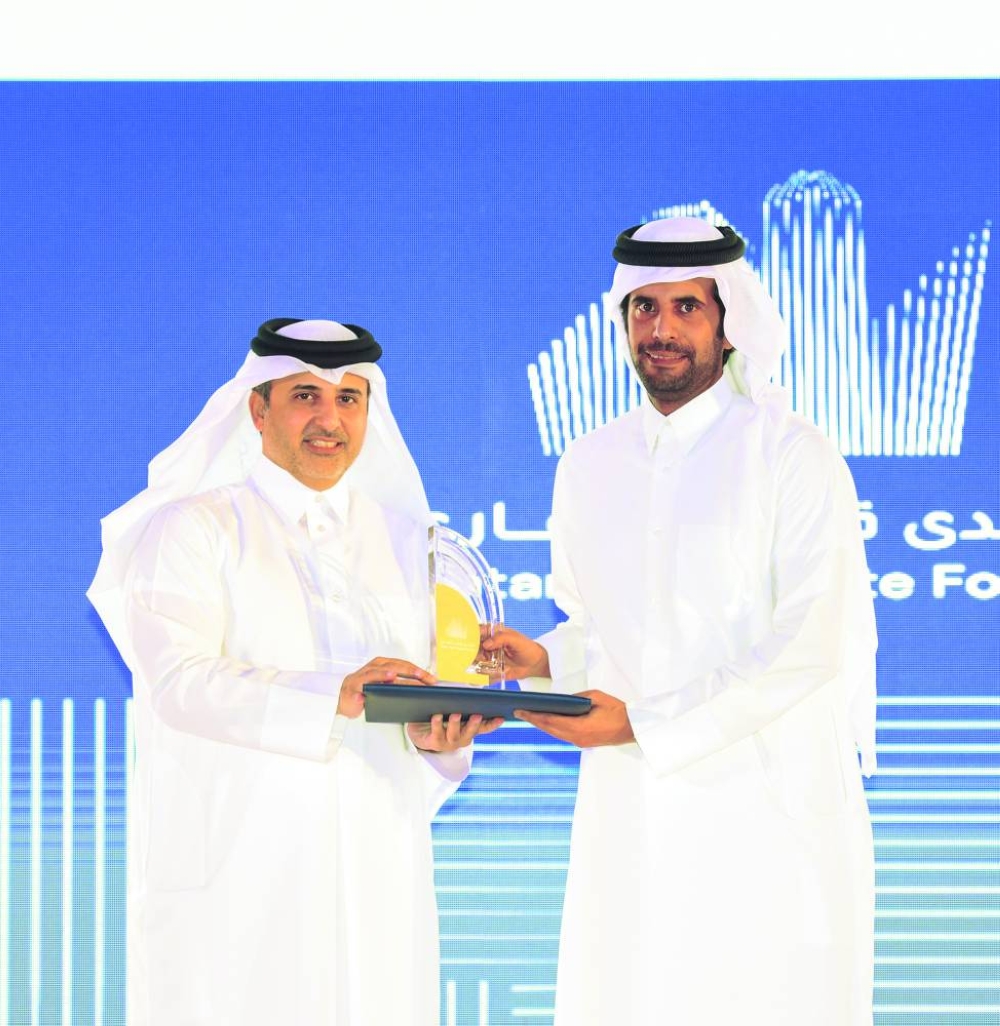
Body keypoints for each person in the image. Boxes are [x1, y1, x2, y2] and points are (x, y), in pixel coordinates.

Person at [485, 218, 878, 1025]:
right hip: (632, 817)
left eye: (686, 308)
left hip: (766, 814)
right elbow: (608, 629)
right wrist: (543, 658)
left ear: (728, 323)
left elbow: (809, 645)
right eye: (642, 308)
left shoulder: (792, 455)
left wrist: (644, 725)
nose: (660, 330)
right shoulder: (588, 464)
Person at [87, 318, 500, 1026]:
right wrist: (331, 697)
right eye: (305, 395)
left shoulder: (407, 542)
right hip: (242, 881)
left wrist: (441, 741)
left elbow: (411, 723)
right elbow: (177, 684)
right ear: (258, 409)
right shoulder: (192, 530)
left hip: (377, 879)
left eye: (349, 400)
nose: (328, 420)